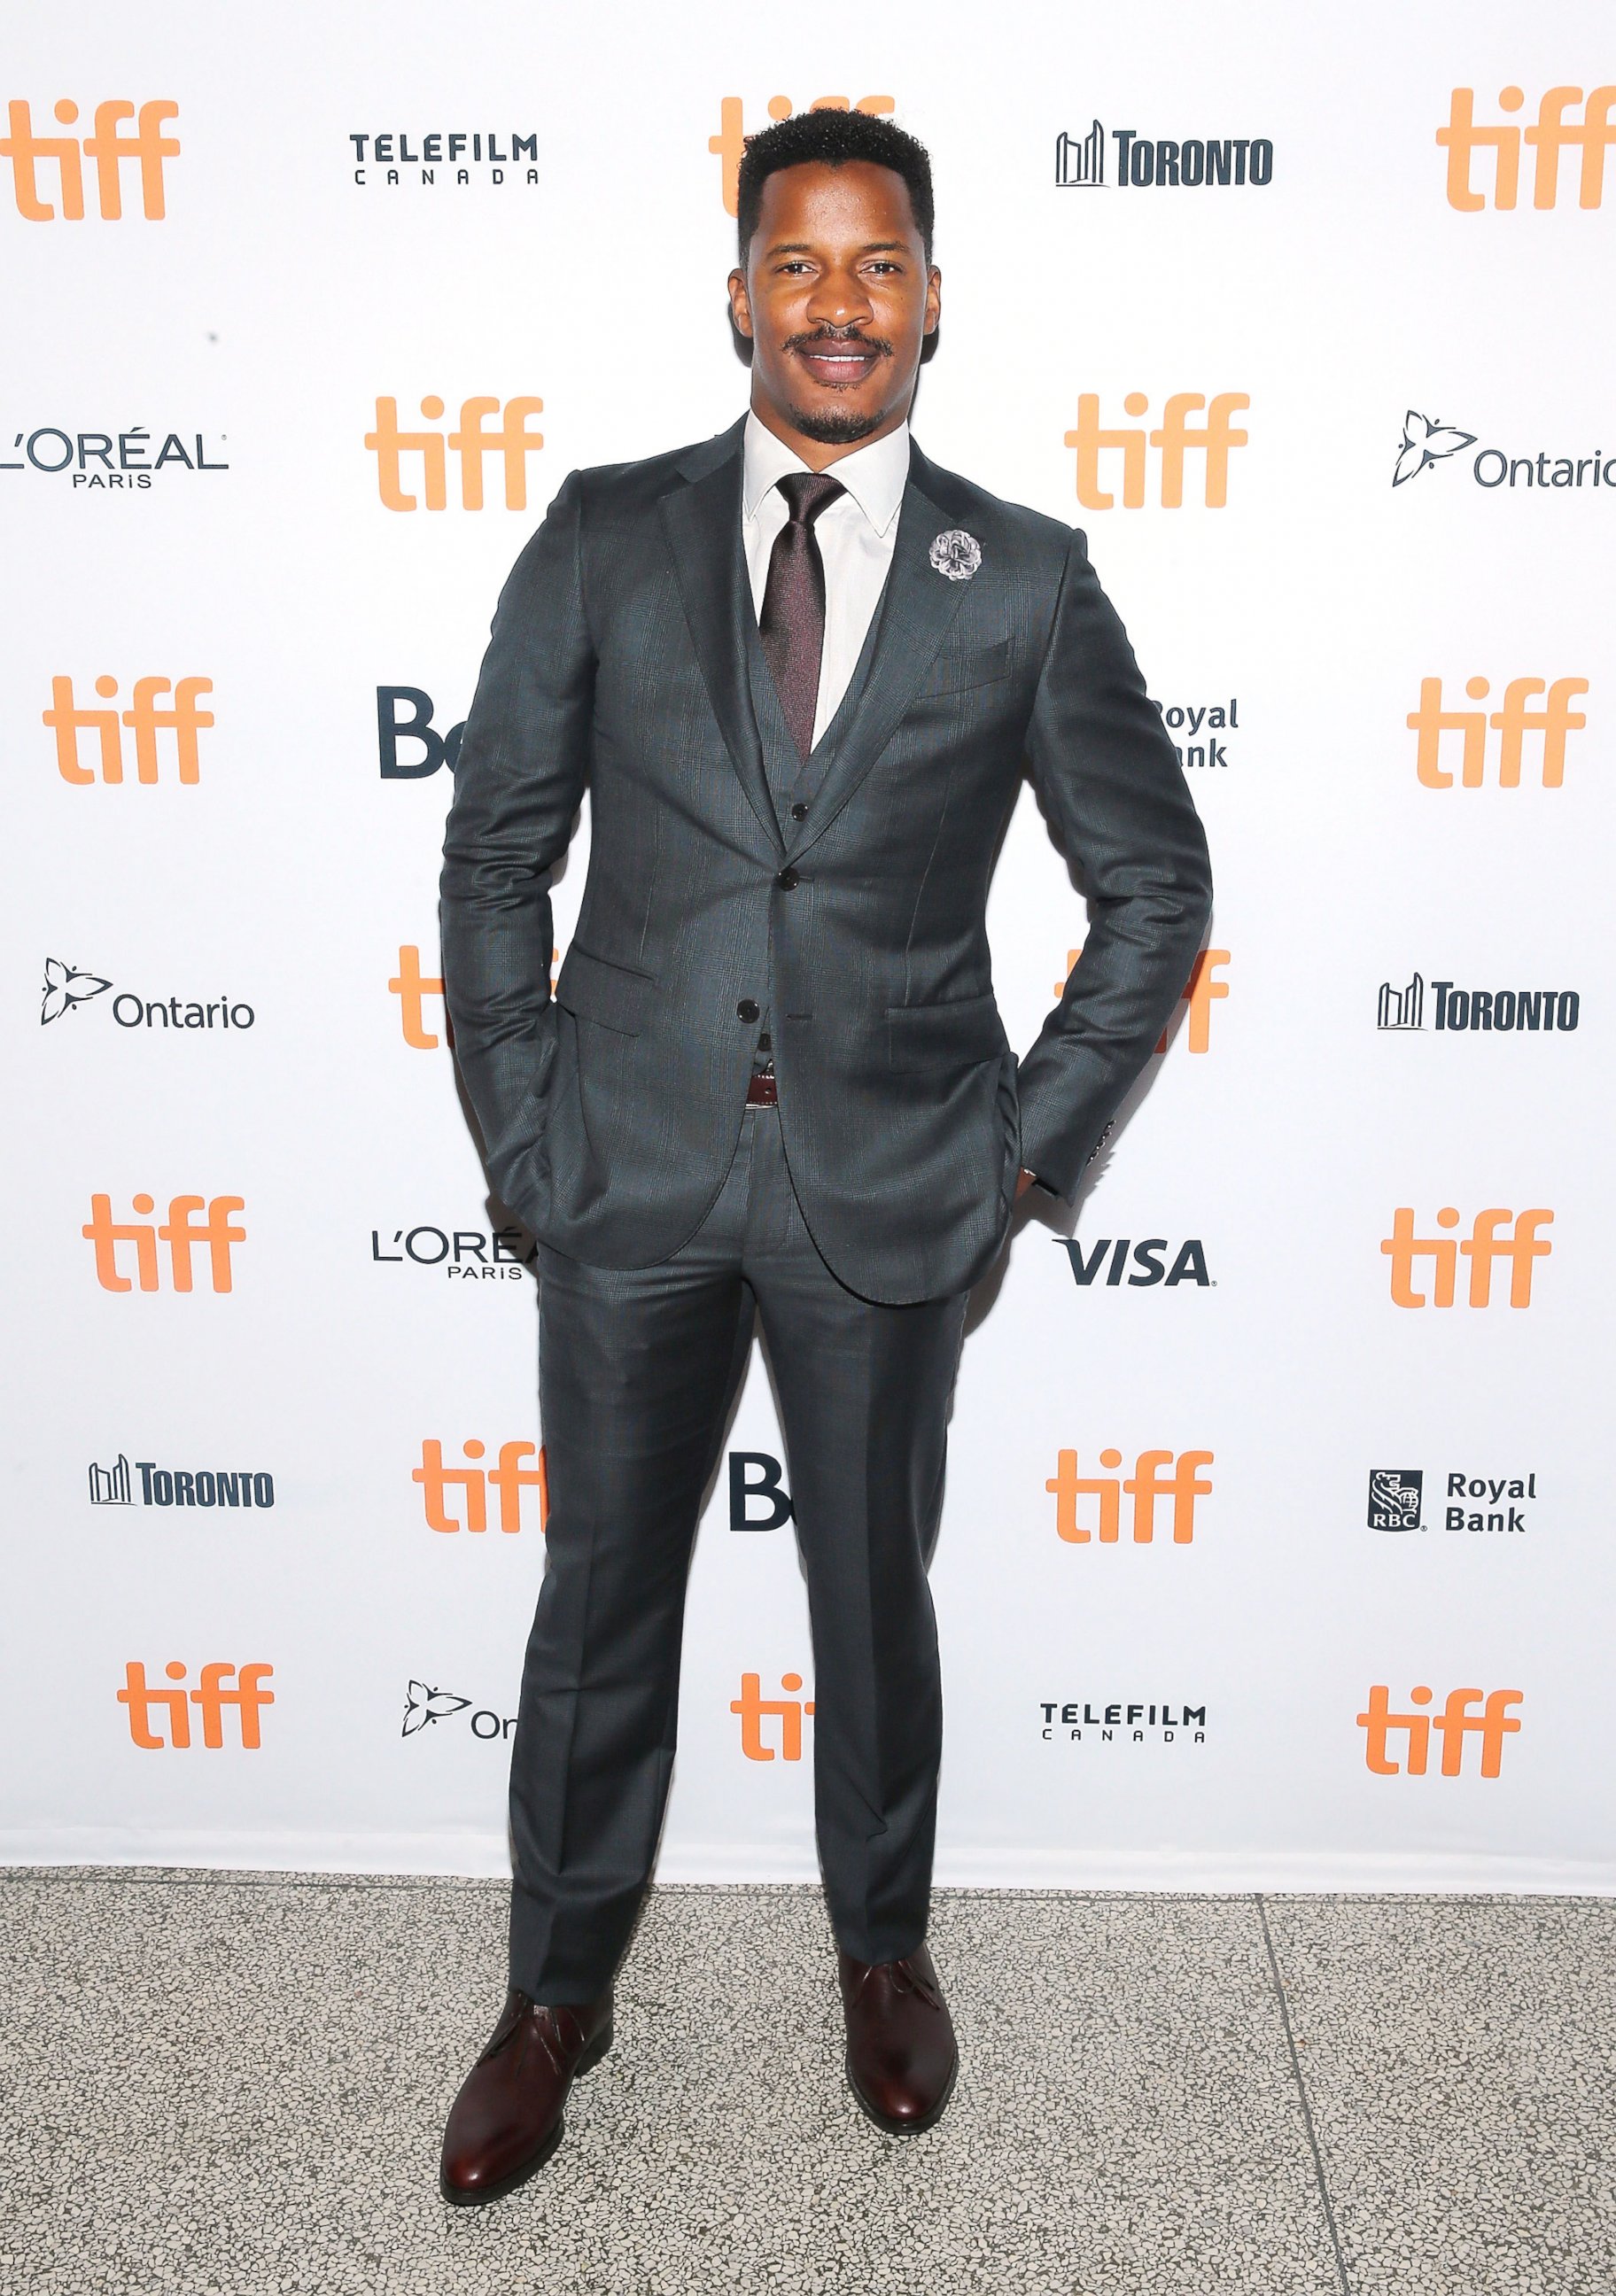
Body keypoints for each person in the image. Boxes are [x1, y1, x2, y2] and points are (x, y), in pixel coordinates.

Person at [436, 106, 1211, 2203]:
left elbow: (1154, 885)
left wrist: (1016, 1167)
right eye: (801, 265)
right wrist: (524, 1135)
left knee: (873, 1596)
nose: (839, 306)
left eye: (880, 267)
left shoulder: (1026, 580)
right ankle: (551, 1996)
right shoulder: (603, 532)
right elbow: (499, 844)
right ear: (741, 294)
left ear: (934, 297)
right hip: (625, 1177)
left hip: (889, 1194)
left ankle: (882, 1955)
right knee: (599, 1608)